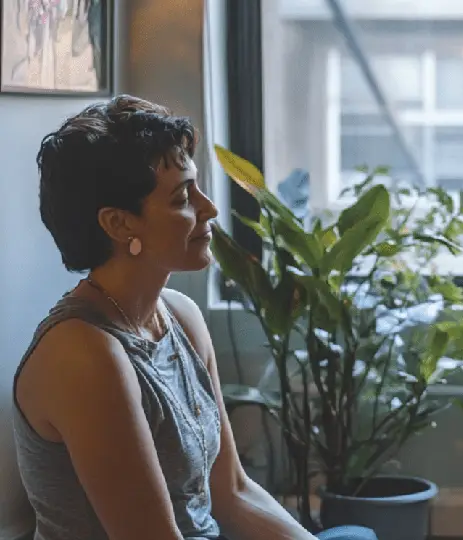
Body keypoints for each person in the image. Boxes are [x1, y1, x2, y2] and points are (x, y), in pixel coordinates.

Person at [12, 95, 377, 540]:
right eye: (184, 196)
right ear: (119, 224)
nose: (209, 208)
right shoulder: (85, 355)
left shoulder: (180, 316)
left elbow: (234, 493)